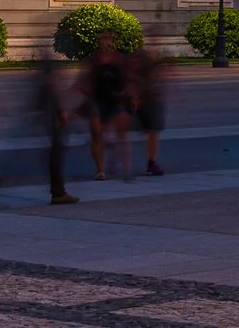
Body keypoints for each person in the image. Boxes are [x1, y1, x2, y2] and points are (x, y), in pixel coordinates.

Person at [32, 53, 80, 205]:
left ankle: (58, 190)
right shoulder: (49, 80)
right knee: (56, 155)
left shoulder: (42, 80)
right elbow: (54, 94)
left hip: (46, 120)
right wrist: (62, 111)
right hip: (53, 120)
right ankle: (58, 192)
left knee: (55, 154)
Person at [81, 32, 131, 176]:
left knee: (119, 135)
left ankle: (119, 163)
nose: (105, 44)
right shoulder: (94, 59)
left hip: (115, 100)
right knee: (97, 134)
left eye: (108, 40)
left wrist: (130, 95)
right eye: (103, 40)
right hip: (97, 100)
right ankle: (100, 169)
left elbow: (127, 78)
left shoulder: (119, 59)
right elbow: (85, 78)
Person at [131, 44, 169, 174]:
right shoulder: (141, 65)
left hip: (152, 101)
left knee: (152, 132)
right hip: (144, 102)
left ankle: (151, 162)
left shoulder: (154, 64)